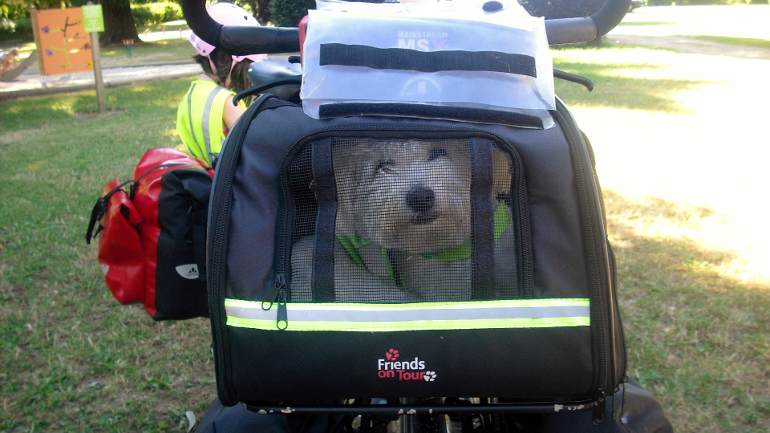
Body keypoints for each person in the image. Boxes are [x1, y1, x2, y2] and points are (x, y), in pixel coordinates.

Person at [176, 3, 266, 165]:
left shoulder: (190, 96)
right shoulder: (227, 101)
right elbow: (257, 149)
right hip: (232, 186)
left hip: (205, 183)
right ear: (227, 59)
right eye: (243, 68)